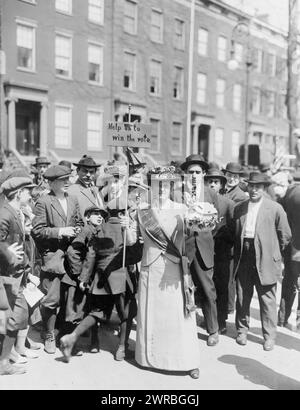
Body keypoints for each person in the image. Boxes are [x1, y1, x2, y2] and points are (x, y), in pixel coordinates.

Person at [135, 166, 200, 379]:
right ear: (151, 186)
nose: (161, 188)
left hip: (173, 269)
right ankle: (148, 358)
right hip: (151, 268)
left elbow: (195, 234)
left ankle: (186, 361)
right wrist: (127, 227)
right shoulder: (141, 210)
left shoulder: (183, 209)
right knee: (152, 314)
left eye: (166, 184)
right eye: (157, 184)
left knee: (178, 316)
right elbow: (132, 241)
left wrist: (198, 218)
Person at [60, 202, 138, 363]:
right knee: (127, 314)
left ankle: (72, 336)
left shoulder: (98, 230)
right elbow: (136, 256)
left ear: (109, 213)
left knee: (97, 312)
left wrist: (83, 278)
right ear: (123, 214)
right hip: (122, 278)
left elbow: (91, 256)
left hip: (100, 279)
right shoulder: (126, 229)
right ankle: (122, 349)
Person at [232, 173, 291, 351]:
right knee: (242, 295)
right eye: (251, 186)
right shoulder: (240, 208)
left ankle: (269, 336)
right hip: (245, 254)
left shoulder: (275, 208)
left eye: (258, 186)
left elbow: (285, 235)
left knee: (267, 298)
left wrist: (273, 252)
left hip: (266, 257)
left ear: (264, 188)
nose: (254, 190)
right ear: (247, 187)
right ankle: (242, 330)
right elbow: (235, 233)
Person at [31, 165, 83, 354]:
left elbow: (78, 222)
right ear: (52, 183)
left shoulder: (73, 199)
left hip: (71, 257)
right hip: (53, 257)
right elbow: (37, 231)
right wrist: (60, 232)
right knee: (51, 299)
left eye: (68, 179)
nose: (67, 182)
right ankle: (48, 334)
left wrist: (76, 230)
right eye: (63, 180)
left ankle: (64, 332)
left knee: (69, 298)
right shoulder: (44, 202)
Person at [179, 154, 220, 347]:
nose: (194, 175)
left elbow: (217, 222)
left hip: (203, 247)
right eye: (190, 172)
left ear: (203, 174)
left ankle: (213, 330)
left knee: (207, 289)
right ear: (185, 174)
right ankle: (183, 329)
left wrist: (205, 232)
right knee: (182, 288)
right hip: (183, 247)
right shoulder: (177, 193)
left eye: (197, 172)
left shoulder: (210, 194)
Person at [0, 177, 36, 375]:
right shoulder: (5, 213)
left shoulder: (14, 212)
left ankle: (4, 360)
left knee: (16, 318)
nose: (30, 194)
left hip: (17, 274)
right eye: (27, 191)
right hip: (7, 275)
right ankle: (3, 362)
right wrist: (9, 253)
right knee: (9, 319)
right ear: (18, 193)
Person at [66, 206, 108, 353]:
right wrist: (79, 274)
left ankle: (94, 341)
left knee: (94, 310)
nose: (99, 217)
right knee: (78, 310)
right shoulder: (86, 231)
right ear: (87, 217)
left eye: (101, 215)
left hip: (96, 277)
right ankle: (73, 344)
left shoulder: (101, 231)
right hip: (85, 277)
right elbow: (72, 252)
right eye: (95, 214)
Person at [204, 167, 234, 334]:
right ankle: (209, 319)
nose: (213, 185)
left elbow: (233, 229)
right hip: (203, 250)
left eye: (216, 182)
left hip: (221, 252)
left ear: (222, 185)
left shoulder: (228, 204)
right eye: (210, 181)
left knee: (221, 287)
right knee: (206, 287)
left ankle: (221, 320)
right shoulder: (200, 202)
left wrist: (222, 238)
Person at [278, 171, 300, 329]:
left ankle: (283, 318)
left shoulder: (292, 192)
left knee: (289, 282)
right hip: (295, 246)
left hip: (293, 245)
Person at [68, 155, 105, 219]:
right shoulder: (71, 191)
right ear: (77, 171)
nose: (88, 175)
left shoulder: (96, 190)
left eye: (91, 172)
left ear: (95, 173)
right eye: (85, 171)